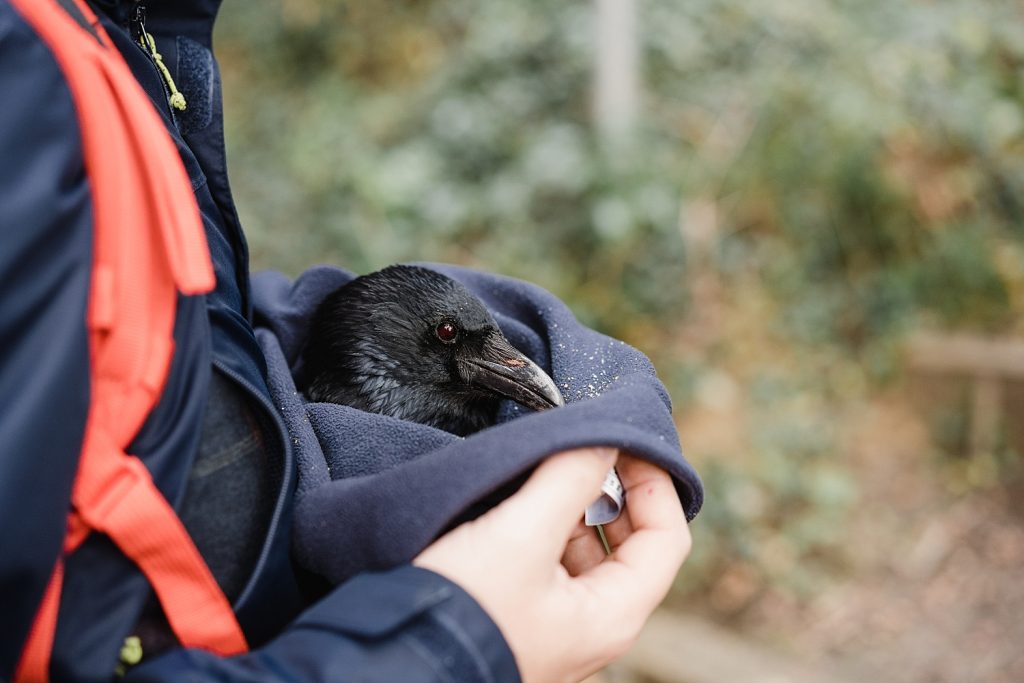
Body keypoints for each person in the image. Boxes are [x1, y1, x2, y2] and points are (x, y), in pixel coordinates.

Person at [0, 0, 694, 681]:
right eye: (452, 337)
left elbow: (178, 320)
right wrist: (451, 644)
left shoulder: (120, 30)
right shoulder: (26, 71)